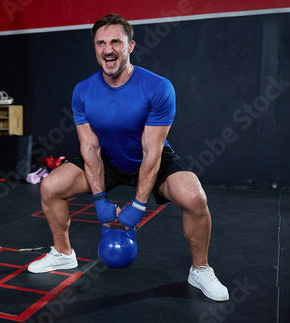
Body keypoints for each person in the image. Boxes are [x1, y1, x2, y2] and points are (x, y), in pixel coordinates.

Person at [27, 14, 229, 302]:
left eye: (115, 42)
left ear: (130, 45)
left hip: (149, 159)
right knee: (50, 187)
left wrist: (138, 205)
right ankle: (63, 253)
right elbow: (90, 149)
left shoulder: (158, 87)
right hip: (107, 159)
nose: (108, 49)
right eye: (101, 43)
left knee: (195, 198)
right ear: (95, 47)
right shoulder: (83, 91)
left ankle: (201, 269)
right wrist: (99, 201)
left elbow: (152, 151)